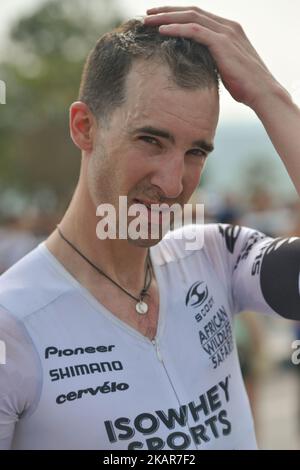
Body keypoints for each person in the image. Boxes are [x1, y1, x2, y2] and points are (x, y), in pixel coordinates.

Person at [0, 5, 299, 450]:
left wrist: (269, 96)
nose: (173, 183)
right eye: (151, 140)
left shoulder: (217, 257)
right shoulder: (12, 325)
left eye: (196, 152)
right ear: (85, 128)